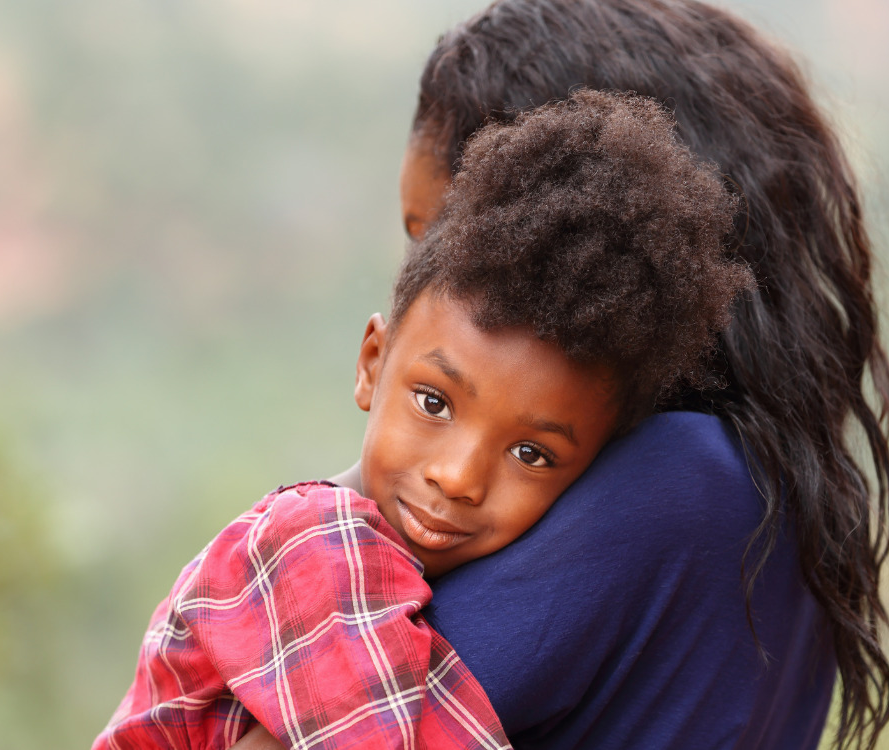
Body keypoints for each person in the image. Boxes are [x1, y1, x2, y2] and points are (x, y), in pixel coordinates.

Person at [94, 90, 753, 750]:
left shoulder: (392, 573)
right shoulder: (316, 550)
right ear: (371, 363)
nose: (457, 476)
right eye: (433, 403)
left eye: (531, 454)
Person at [400, 2, 889, 749]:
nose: (414, 286)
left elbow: (326, 709)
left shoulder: (677, 481)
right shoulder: (777, 491)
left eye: (442, 239)